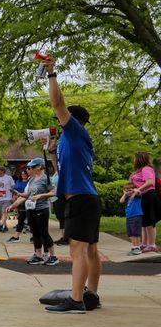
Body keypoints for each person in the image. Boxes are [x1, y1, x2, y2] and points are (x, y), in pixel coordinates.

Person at [42, 54, 102, 313]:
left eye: (63, 118)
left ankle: (76, 300)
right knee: (90, 250)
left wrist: (51, 73)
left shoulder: (76, 131)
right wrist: (54, 153)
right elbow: (63, 171)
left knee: (77, 250)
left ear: (73, 121)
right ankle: (91, 295)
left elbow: (57, 102)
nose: (59, 120)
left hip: (81, 199)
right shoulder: (72, 142)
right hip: (86, 198)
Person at [13, 158, 58, 265]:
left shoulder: (46, 179)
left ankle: (53, 256)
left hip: (41, 209)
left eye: (32, 167)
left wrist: (41, 195)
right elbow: (28, 194)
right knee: (35, 233)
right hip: (31, 209)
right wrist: (19, 194)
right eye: (29, 167)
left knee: (44, 232)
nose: (30, 169)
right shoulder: (32, 179)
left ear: (40, 166)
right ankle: (38, 255)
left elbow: (53, 192)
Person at [130, 152, 158, 253]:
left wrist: (138, 190)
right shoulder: (139, 171)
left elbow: (150, 182)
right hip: (143, 197)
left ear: (139, 159)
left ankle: (152, 244)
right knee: (144, 222)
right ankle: (145, 243)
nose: (133, 160)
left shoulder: (147, 168)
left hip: (149, 196)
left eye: (135, 158)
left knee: (150, 221)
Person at [0, 165, 15, 233]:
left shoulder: (9, 178)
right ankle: (5, 227)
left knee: (4, 211)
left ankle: (2, 225)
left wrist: (12, 195)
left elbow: (13, 186)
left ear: (2, 171)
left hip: (7, 198)